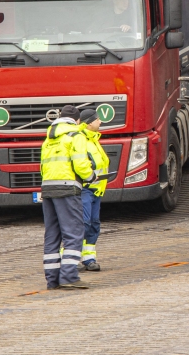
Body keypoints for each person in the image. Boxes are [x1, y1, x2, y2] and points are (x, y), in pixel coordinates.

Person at [40, 105, 96, 290]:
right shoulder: (75, 136)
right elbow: (80, 163)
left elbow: (42, 165)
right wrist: (90, 177)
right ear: (77, 121)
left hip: (48, 188)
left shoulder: (49, 138)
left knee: (52, 235)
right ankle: (69, 276)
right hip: (67, 188)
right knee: (74, 232)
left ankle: (52, 279)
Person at [78, 107, 109, 272]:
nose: (100, 121)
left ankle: (89, 258)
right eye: (97, 119)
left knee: (93, 224)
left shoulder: (93, 139)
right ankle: (68, 258)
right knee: (83, 224)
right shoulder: (81, 140)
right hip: (86, 188)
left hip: (96, 189)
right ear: (89, 123)